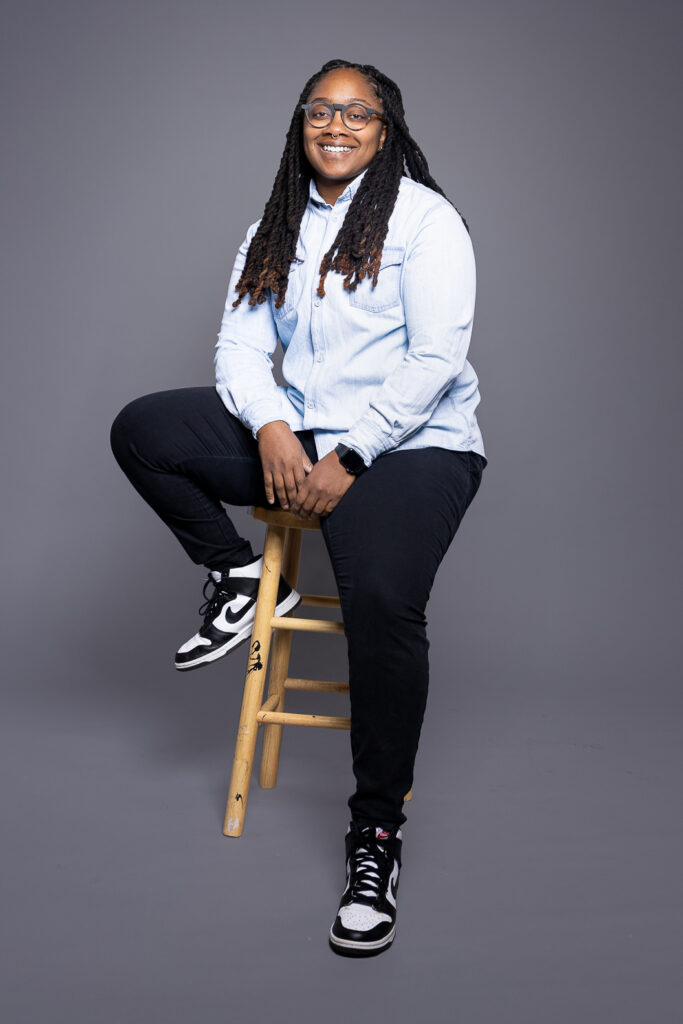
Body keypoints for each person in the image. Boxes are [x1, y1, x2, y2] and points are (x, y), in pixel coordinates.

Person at [110, 58, 487, 958]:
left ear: (385, 131)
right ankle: (241, 576)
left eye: (358, 113)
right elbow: (238, 348)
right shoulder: (273, 226)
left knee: (383, 605)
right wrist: (274, 427)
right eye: (321, 110)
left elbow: (435, 359)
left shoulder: (424, 221)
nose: (336, 125)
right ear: (300, 123)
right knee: (144, 431)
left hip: (414, 445)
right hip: (306, 433)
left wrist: (350, 455)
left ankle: (375, 834)